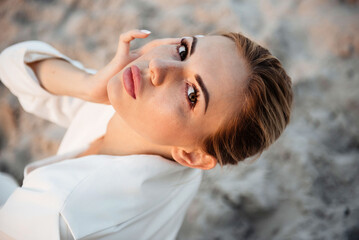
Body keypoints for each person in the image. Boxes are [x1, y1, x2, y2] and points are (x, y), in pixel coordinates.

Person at [0, 29, 292, 240]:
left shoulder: (61, 211)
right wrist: (86, 84)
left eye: (192, 93)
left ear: (192, 155)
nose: (156, 67)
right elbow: (12, 65)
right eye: (183, 50)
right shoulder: (153, 122)